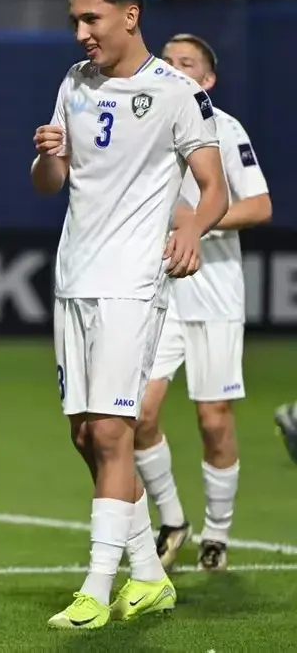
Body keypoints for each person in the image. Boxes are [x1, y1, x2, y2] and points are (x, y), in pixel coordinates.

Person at [31, 0, 228, 630]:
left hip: (132, 282)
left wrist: (192, 230)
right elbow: (50, 183)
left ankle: (96, 588)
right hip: (73, 278)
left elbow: (213, 187)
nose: (81, 33)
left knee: (114, 430)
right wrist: (48, 154)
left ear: (130, 14)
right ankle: (148, 574)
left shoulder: (175, 92)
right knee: (85, 434)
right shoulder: (74, 81)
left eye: (91, 18)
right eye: (75, 21)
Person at [135, 33, 271, 572]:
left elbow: (259, 205)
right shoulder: (144, 124)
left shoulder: (225, 128)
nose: (174, 68)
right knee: (139, 412)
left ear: (208, 80)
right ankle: (172, 519)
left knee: (213, 420)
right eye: (167, 60)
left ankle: (217, 531)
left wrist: (197, 223)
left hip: (213, 290)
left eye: (187, 63)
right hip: (159, 288)